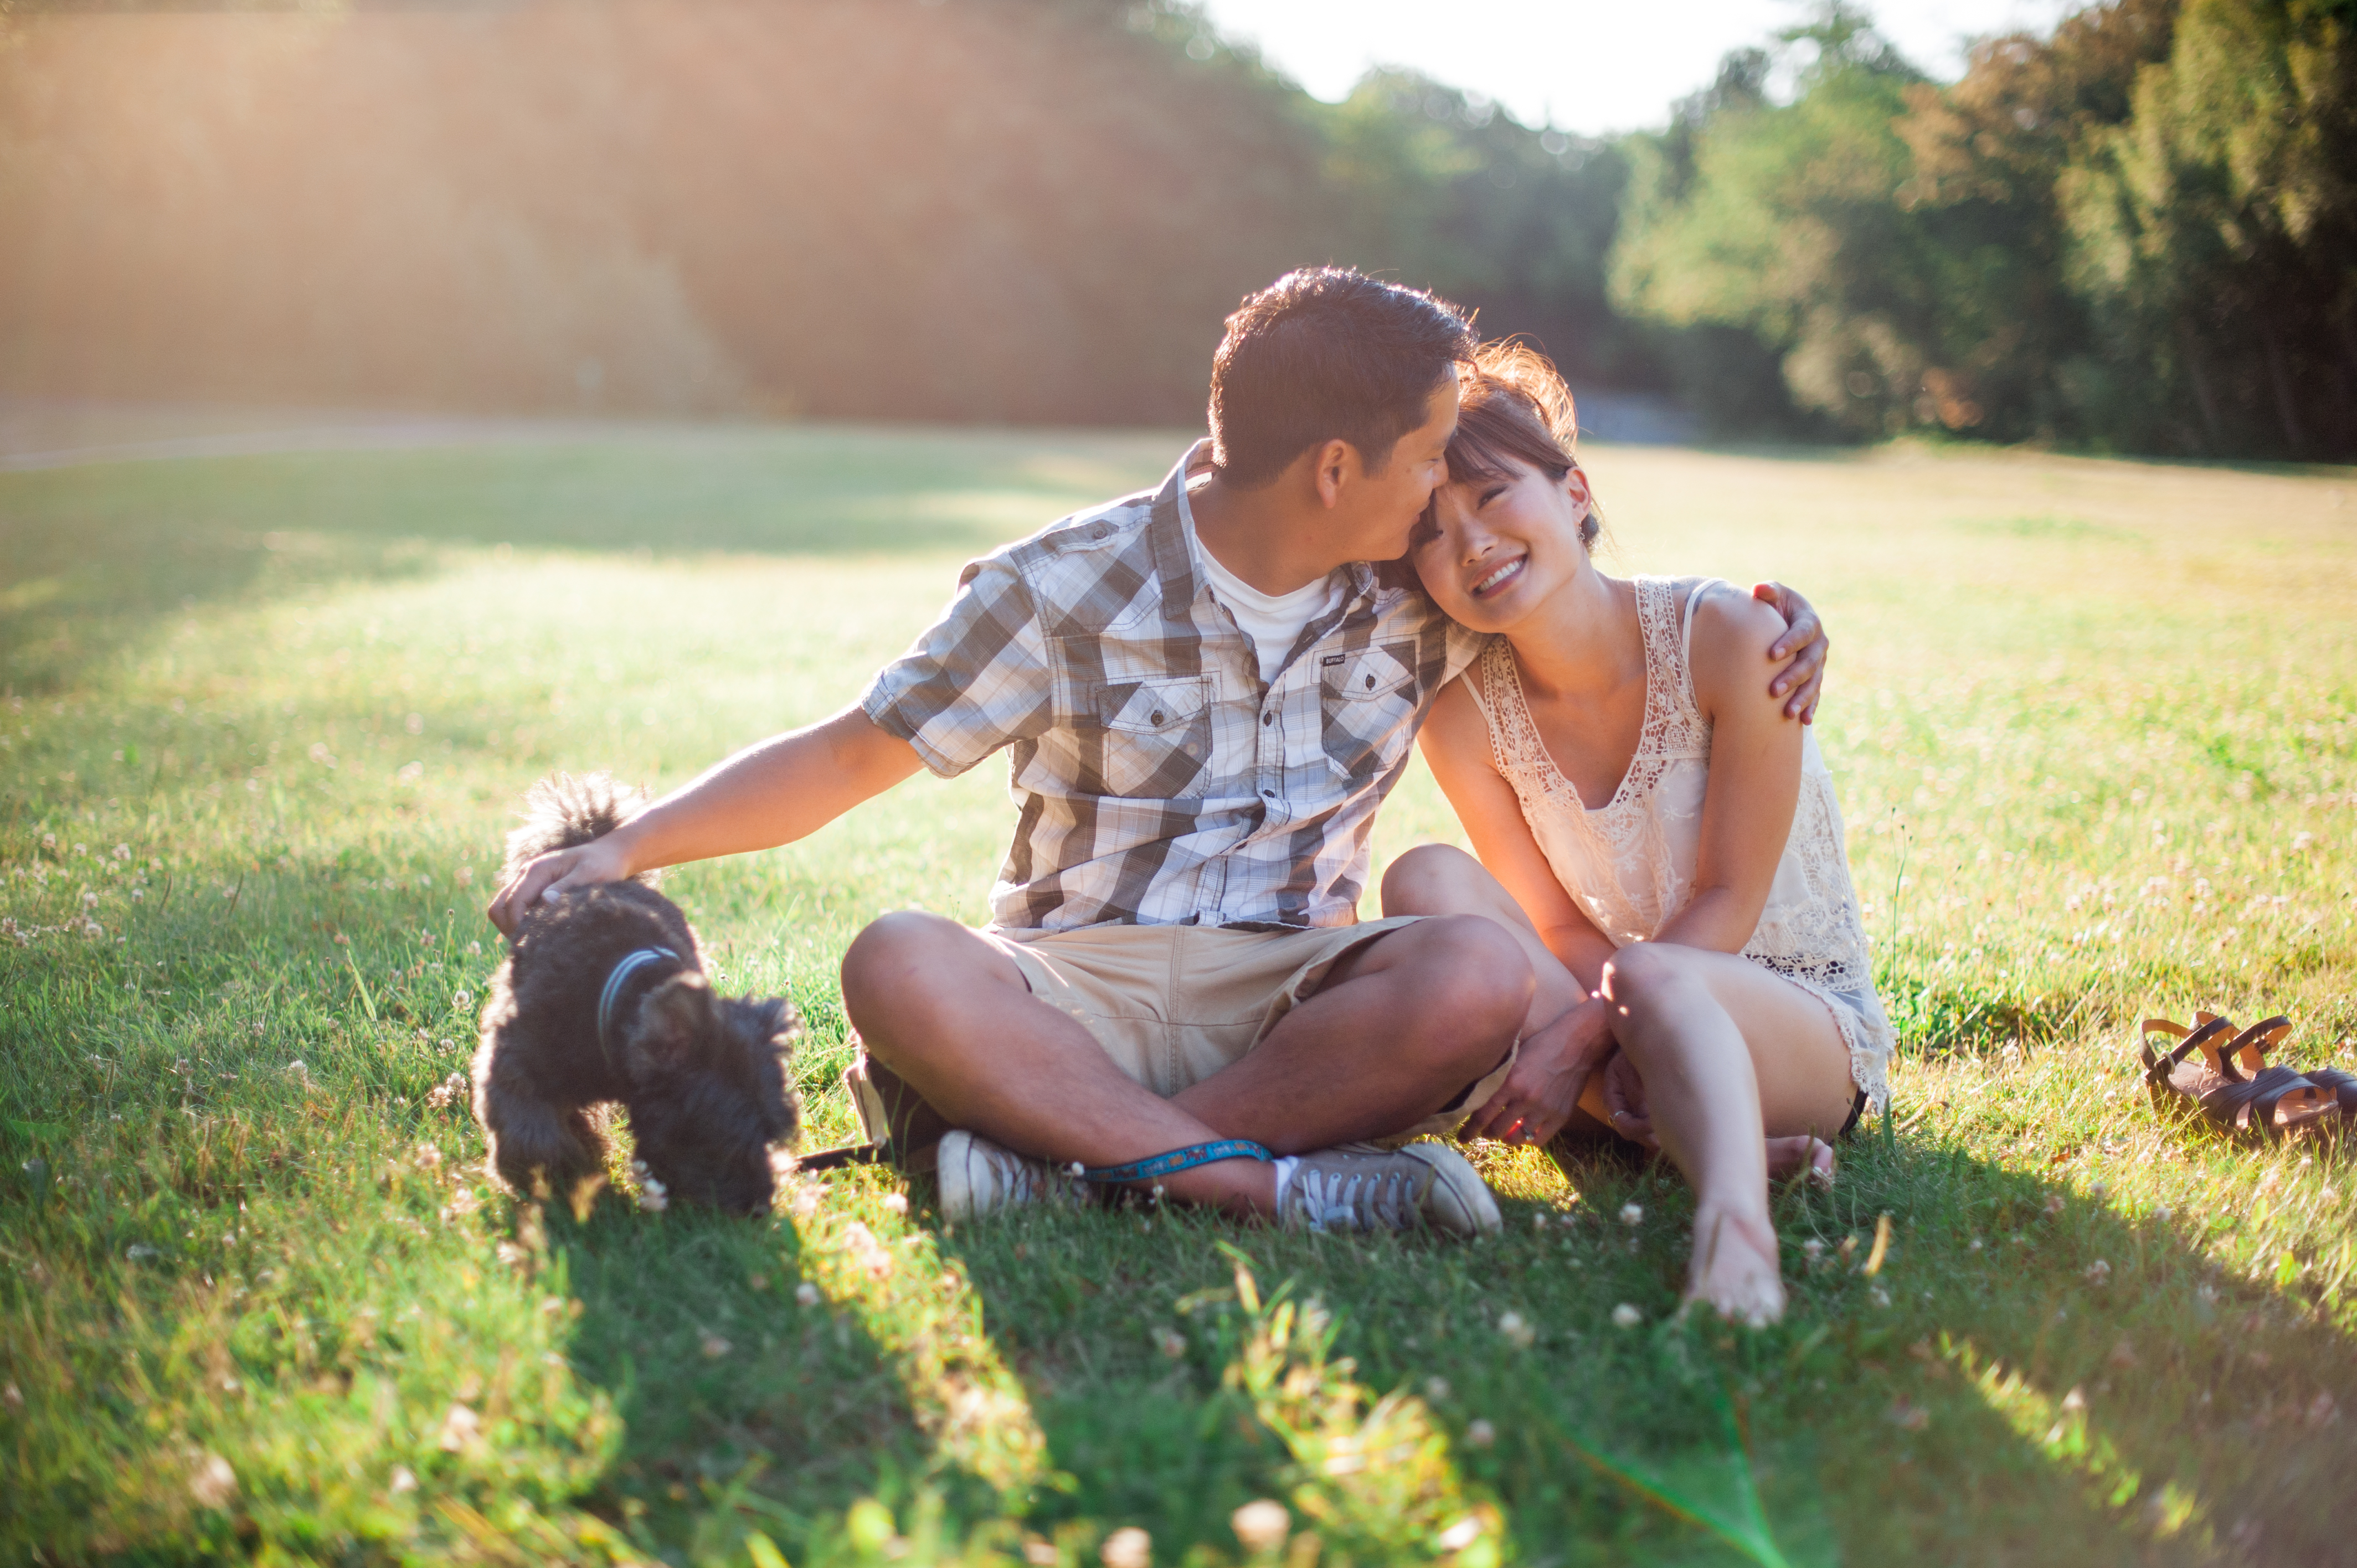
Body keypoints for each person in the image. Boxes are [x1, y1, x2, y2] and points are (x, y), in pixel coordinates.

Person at [489, 270, 1831, 1238]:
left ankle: (1072, 1161)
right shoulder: (1060, 587)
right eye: (1426, 459)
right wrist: (627, 842)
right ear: (1333, 469)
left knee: (1472, 965)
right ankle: (1255, 1184)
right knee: (896, 956)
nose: (1444, 496)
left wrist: (1771, 626)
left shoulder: (1421, 586)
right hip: (1077, 986)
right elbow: (849, 758)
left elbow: (1579, 606)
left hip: (1298, 994)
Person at [1381, 341, 1891, 1317]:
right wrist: (1597, 1018)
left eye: (1493, 497)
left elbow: (1730, 905)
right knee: (1426, 882)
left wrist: (1578, 1036)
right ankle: (1687, 1131)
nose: (1472, 544)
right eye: (1431, 536)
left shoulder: (1732, 638)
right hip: (1621, 1015)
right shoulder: (1459, 717)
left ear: (1574, 491)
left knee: (1651, 973)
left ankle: (1737, 1238)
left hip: (1795, 1023)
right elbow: (1560, 931)